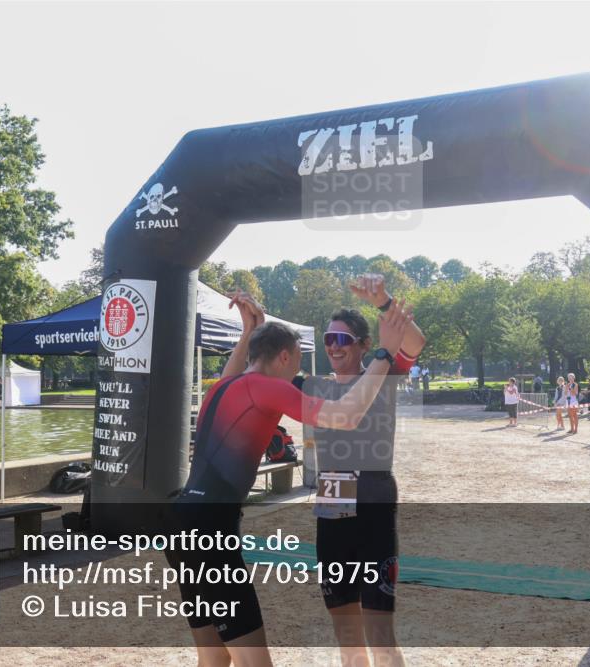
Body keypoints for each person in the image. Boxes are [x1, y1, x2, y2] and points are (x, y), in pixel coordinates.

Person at [171, 290, 413, 667]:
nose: (299, 369)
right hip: (212, 528)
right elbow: (346, 416)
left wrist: (250, 330)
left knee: (214, 656)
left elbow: (238, 369)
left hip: (184, 522)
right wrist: (385, 353)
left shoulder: (222, 387)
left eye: (340, 340)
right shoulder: (275, 387)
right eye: (299, 359)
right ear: (284, 357)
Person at [299, 274, 425, 667]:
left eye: (343, 339)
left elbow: (415, 343)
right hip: (331, 515)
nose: (334, 347)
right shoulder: (313, 386)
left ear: (365, 345)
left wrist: (385, 301)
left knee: (381, 637)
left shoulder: (383, 374)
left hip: (374, 509)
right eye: (328, 340)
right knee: (348, 640)